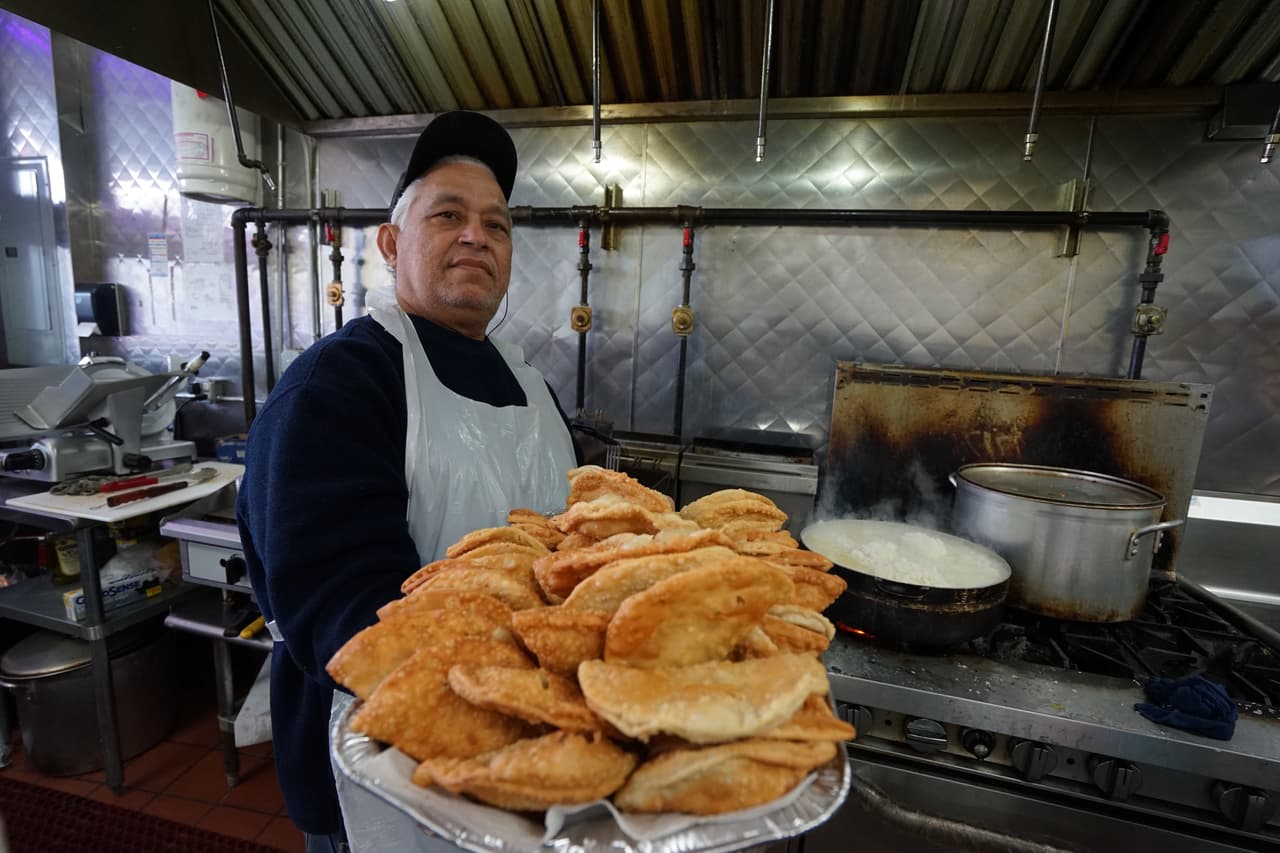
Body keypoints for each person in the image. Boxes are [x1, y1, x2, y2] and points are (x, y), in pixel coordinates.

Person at [236, 111, 578, 852]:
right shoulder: (340, 385)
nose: (475, 236)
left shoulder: (533, 386)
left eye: (497, 224)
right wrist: (535, 689)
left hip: (527, 755)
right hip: (380, 773)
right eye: (448, 214)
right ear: (391, 242)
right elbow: (349, 616)